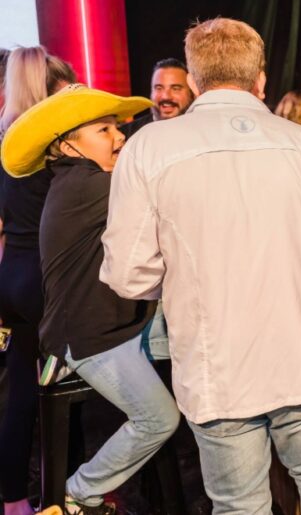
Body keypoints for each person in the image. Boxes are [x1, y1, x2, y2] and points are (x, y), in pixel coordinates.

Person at [100, 17, 301, 513]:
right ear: (260, 79)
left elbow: (127, 275)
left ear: (195, 81)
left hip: (215, 369)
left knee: (241, 503)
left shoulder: (149, 150)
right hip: (299, 359)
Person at [1, 84, 177, 515]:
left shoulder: (85, 180)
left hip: (120, 323)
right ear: (67, 145)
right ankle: (77, 492)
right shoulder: (88, 185)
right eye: (104, 129)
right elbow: (169, 191)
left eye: (117, 128)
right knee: (160, 418)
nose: (119, 138)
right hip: (88, 336)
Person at [0, 46, 77, 515]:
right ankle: (65, 494)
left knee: (22, 394)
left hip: (12, 278)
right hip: (47, 279)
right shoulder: (54, 147)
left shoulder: (6, 142)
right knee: (67, 393)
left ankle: (12, 499)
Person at [120, 58, 194, 137]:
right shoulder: (127, 135)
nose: (166, 96)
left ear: (191, 92)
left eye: (175, 89)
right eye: (159, 88)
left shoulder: (201, 130)